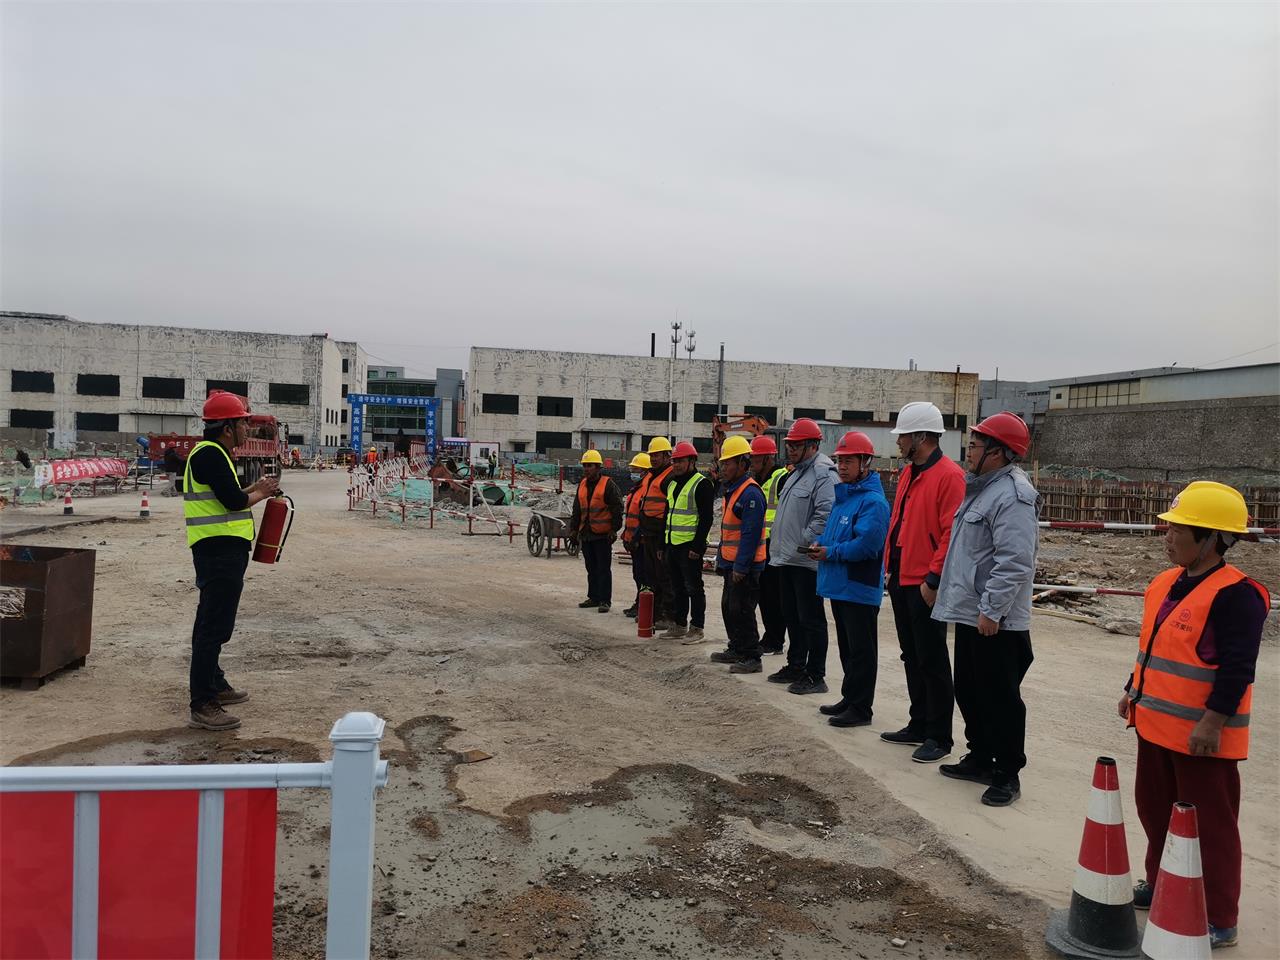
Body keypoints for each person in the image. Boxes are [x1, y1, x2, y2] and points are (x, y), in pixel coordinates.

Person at [1119, 481, 1268, 950]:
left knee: (1210, 829)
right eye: (1168, 528)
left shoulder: (1238, 595)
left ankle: (1219, 917)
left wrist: (1212, 722)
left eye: (1178, 530)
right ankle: (1161, 883)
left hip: (1201, 739)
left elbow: (1238, 668)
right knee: (1155, 812)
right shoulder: (1164, 583)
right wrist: (1131, 689)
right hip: (1155, 727)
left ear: (1212, 539)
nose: (1167, 536)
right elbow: (1155, 646)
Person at [932, 412, 1040, 807]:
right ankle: (979, 757)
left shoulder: (1013, 495)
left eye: (975, 445)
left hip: (996, 621)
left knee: (1000, 698)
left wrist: (993, 610)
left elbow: (1015, 561)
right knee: (970, 690)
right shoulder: (979, 489)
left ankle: (1007, 773)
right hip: (970, 612)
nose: (969, 450)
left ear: (997, 452)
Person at [184, 391, 279, 731]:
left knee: (212, 622)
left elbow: (230, 495)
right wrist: (261, 493)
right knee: (214, 626)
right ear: (227, 427)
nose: (246, 429)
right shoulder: (210, 454)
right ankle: (203, 703)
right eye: (242, 423)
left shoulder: (214, 453)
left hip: (221, 549)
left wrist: (256, 487)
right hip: (218, 551)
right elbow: (233, 502)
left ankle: (215, 682)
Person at [879, 401, 967, 764]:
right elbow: (898, 523)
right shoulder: (910, 474)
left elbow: (950, 533)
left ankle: (939, 736)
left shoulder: (950, 476)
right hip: (901, 577)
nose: (898, 442)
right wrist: (889, 567)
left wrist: (933, 579)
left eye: (903, 436)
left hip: (924, 583)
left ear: (920, 436)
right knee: (911, 655)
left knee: (932, 659)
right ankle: (918, 723)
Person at [807, 432, 890, 728]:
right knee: (848, 648)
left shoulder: (873, 502)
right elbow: (835, 535)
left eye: (848, 461)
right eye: (840, 461)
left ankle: (861, 708)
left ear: (865, 462)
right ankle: (850, 698)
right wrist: (820, 543)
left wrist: (830, 552)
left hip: (858, 586)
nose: (841, 467)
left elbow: (867, 546)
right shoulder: (844, 498)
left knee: (861, 651)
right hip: (841, 585)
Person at [765, 418, 837, 694]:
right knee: (792, 616)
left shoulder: (823, 473)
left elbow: (825, 514)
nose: (791, 449)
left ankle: (815, 675)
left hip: (805, 561)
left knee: (811, 619)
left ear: (813, 445)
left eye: (796, 445)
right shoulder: (796, 473)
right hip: (787, 558)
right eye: (790, 445)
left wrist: (805, 541)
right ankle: (796, 665)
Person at [709, 436, 768, 672]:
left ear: (743, 463)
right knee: (729, 607)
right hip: (731, 562)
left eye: (728, 463)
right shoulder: (733, 490)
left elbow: (750, 535)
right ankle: (736, 647)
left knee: (742, 610)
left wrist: (741, 567)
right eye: (723, 463)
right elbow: (729, 531)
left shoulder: (750, 494)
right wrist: (723, 560)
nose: (723, 468)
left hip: (745, 566)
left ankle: (752, 655)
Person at [661, 441, 714, 642]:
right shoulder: (672, 484)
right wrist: (662, 544)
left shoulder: (702, 484)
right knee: (677, 588)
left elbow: (706, 518)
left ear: (692, 461)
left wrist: (697, 546)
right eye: (674, 461)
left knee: (694, 588)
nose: (676, 465)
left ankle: (697, 628)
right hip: (673, 544)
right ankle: (679, 625)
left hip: (690, 546)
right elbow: (667, 515)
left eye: (680, 461)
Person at [568, 449, 624, 613]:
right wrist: (573, 530)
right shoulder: (582, 485)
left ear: (598, 467)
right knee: (591, 568)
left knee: (603, 569)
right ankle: (593, 597)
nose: (586, 469)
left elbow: (617, 507)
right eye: (585, 465)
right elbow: (577, 509)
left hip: (602, 535)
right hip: (586, 534)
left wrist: (614, 529)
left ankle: (605, 600)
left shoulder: (608, 485)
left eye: (590, 465)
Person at [751, 435, 790, 655]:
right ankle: (770, 636)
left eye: (756, 458)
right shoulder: (757, 479)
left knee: (773, 596)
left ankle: (775, 640)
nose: (752, 462)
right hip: (760, 545)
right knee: (763, 596)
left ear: (768, 458)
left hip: (774, 545)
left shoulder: (781, 478)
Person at [635, 437, 676, 631]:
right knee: (651, 576)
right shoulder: (652, 476)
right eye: (651, 455)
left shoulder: (669, 477)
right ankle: (655, 613)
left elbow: (669, 509)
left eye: (657, 455)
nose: (653, 459)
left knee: (664, 577)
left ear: (667, 456)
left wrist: (662, 540)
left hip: (660, 533)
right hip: (648, 533)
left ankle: (668, 615)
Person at [621, 452, 651, 619]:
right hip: (634, 539)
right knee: (638, 574)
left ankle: (644, 605)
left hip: (642, 541)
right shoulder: (637, 488)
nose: (633, 473)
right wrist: (626, 535)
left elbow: (644, 517)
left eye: (636, 470)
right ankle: (639, 602)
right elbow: (631, 516)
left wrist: (636, 537)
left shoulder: (646, 489)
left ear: (645, 471)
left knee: (644, 575)